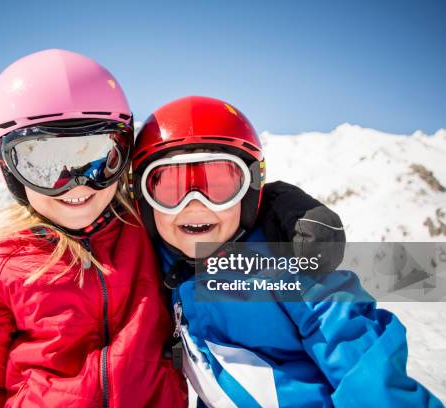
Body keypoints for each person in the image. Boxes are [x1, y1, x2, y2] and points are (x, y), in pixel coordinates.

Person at [131, 96, 443, 407]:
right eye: (170, 188)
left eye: (219, 186)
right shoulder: (161, 269)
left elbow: (364, 369)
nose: (195, 204)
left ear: (251, 189)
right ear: (144, 199)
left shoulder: (293, 273)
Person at [0, 49, 188, 408]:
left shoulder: (151, 229)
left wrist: (279, 211)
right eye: (44, 164)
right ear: (7, 168)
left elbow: (225, 239)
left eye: (97, 157)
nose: (78, 185)